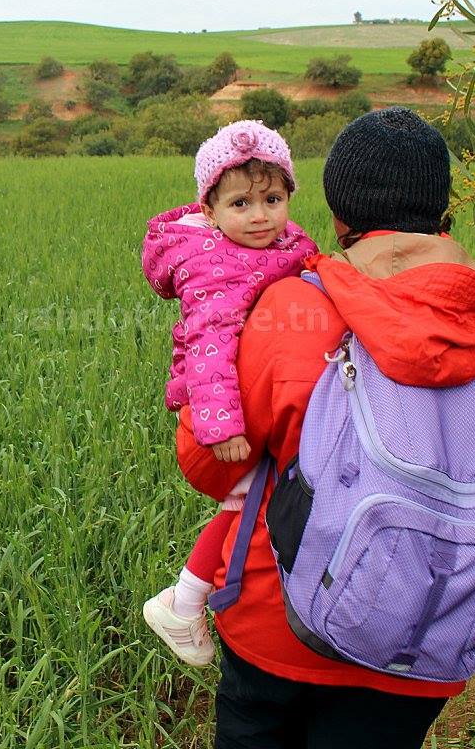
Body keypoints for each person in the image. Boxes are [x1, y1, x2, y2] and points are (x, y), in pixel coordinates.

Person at [177, 107, 475, 748]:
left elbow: (208, 466)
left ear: (338, 216)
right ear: (442, 208)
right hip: (421, 629)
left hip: (280, 618)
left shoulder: (291, 307)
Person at [140, 120, 318, 667]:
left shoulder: (282, 243)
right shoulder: (212, 265)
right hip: (218, 406)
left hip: (251, 394)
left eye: (273, 198)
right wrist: (224, 429)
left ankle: (186, 602)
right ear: (211, 211)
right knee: (247, 505)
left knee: (251, 505)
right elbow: (210, 349)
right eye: (241, 204)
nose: (260, 215)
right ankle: (185, 603)